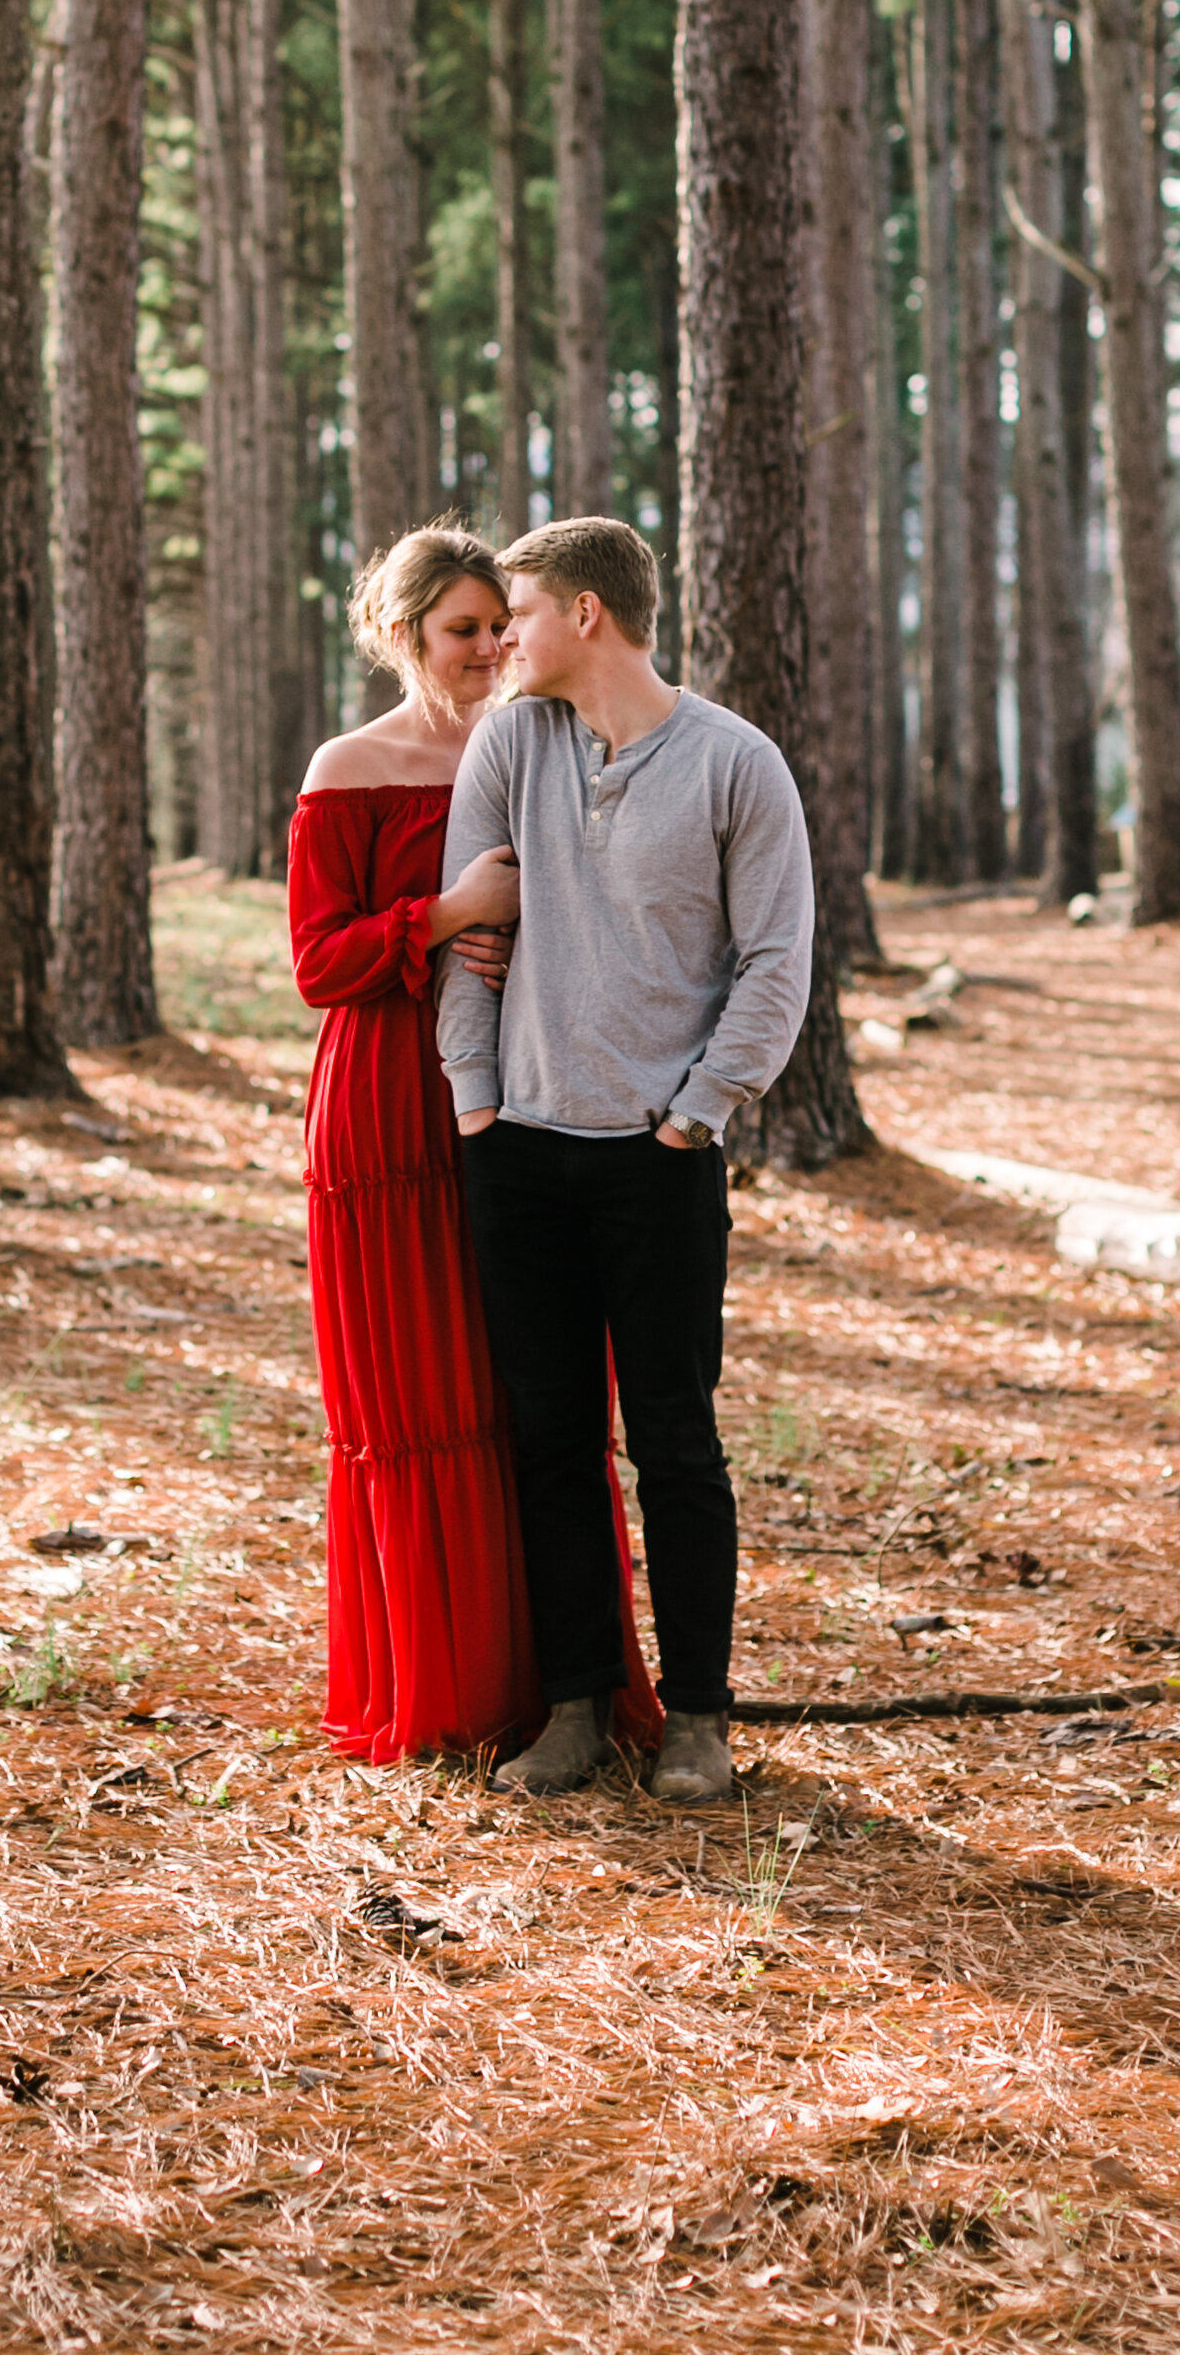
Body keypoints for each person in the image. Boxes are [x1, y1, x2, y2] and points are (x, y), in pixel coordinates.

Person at [438, 515, 815, 1806]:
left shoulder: (734, 764)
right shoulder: (509, 740)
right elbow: (466, 933)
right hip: (520, 1153)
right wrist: (477, 1103)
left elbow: (776, 958)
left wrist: (697, 1110)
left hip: (658, 1158)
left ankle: (700, 1714)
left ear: (587, 613)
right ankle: (575, 1704)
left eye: (519, 616)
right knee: (550, 1441)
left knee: (676, 1440)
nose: (499, 644)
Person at [289, 523, 663, 1767]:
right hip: (387, 1110)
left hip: (532, 1092)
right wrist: (447, 915)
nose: (491, 649)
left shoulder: (551, 744)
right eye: (462, 631)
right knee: (414, 1398)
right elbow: (318, 962)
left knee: (536, 1395)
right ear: (402, 639)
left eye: (501, 625)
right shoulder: (349, 767)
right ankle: (443, 1690)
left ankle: (567, 1688)